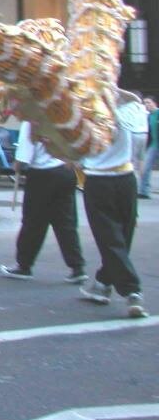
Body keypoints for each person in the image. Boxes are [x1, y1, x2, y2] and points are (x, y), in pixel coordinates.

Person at [79, 88, 147, 318]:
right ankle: (109, 285)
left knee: (113, 238)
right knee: (118, 238)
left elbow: (71, 154)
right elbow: (135, 99)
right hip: (122, 180)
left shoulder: (84, 117)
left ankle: (123, 289)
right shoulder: (124, 110)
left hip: (102, 180)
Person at [0, 119, 86, 283]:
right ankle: (77, 267)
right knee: (65, 222)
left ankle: (24, 265)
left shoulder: (31, 121)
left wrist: (15, 167)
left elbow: (24, 155)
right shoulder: (60, 115)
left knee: (33, 223)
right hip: (65, 171)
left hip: (42, 174)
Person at [117, 92, 149, 199]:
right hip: (144, 134)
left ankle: (133, 185)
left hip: (133, 134)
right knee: (141, 159)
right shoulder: (143, 108)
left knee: (131, 161)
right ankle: (142, 184)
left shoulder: (128, 106)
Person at [142, 96, 158, 199]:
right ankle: (143, 191)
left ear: (155, 103)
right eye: (145, 103)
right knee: (145, 167)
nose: (146, 105)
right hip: (154, 145)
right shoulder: (148, 116)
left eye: (149, 102)